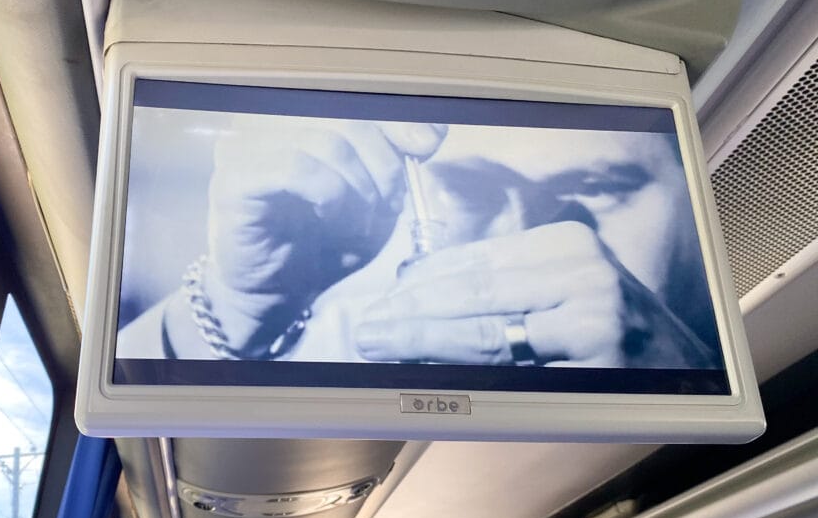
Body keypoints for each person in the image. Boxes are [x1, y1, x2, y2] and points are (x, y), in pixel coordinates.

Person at [116, 114, 720, 370]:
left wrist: (687, 387)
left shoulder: (736, 341)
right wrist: (235, 307)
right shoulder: (358, 337)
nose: (531, 245)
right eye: (471, 194)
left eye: (595, 189)